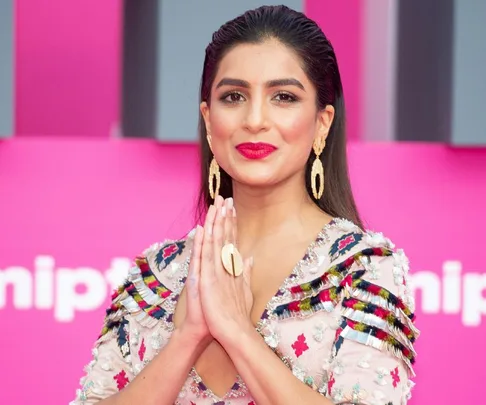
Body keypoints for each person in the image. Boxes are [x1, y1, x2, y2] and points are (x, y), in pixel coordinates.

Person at [70, 5, 418, 405]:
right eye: (233, 96)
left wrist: (237, 331)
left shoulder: (362, 268)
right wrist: (186, 338)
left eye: (283, 97)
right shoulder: (156, 277)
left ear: (322, 123)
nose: (255, 119)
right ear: (208, 119)